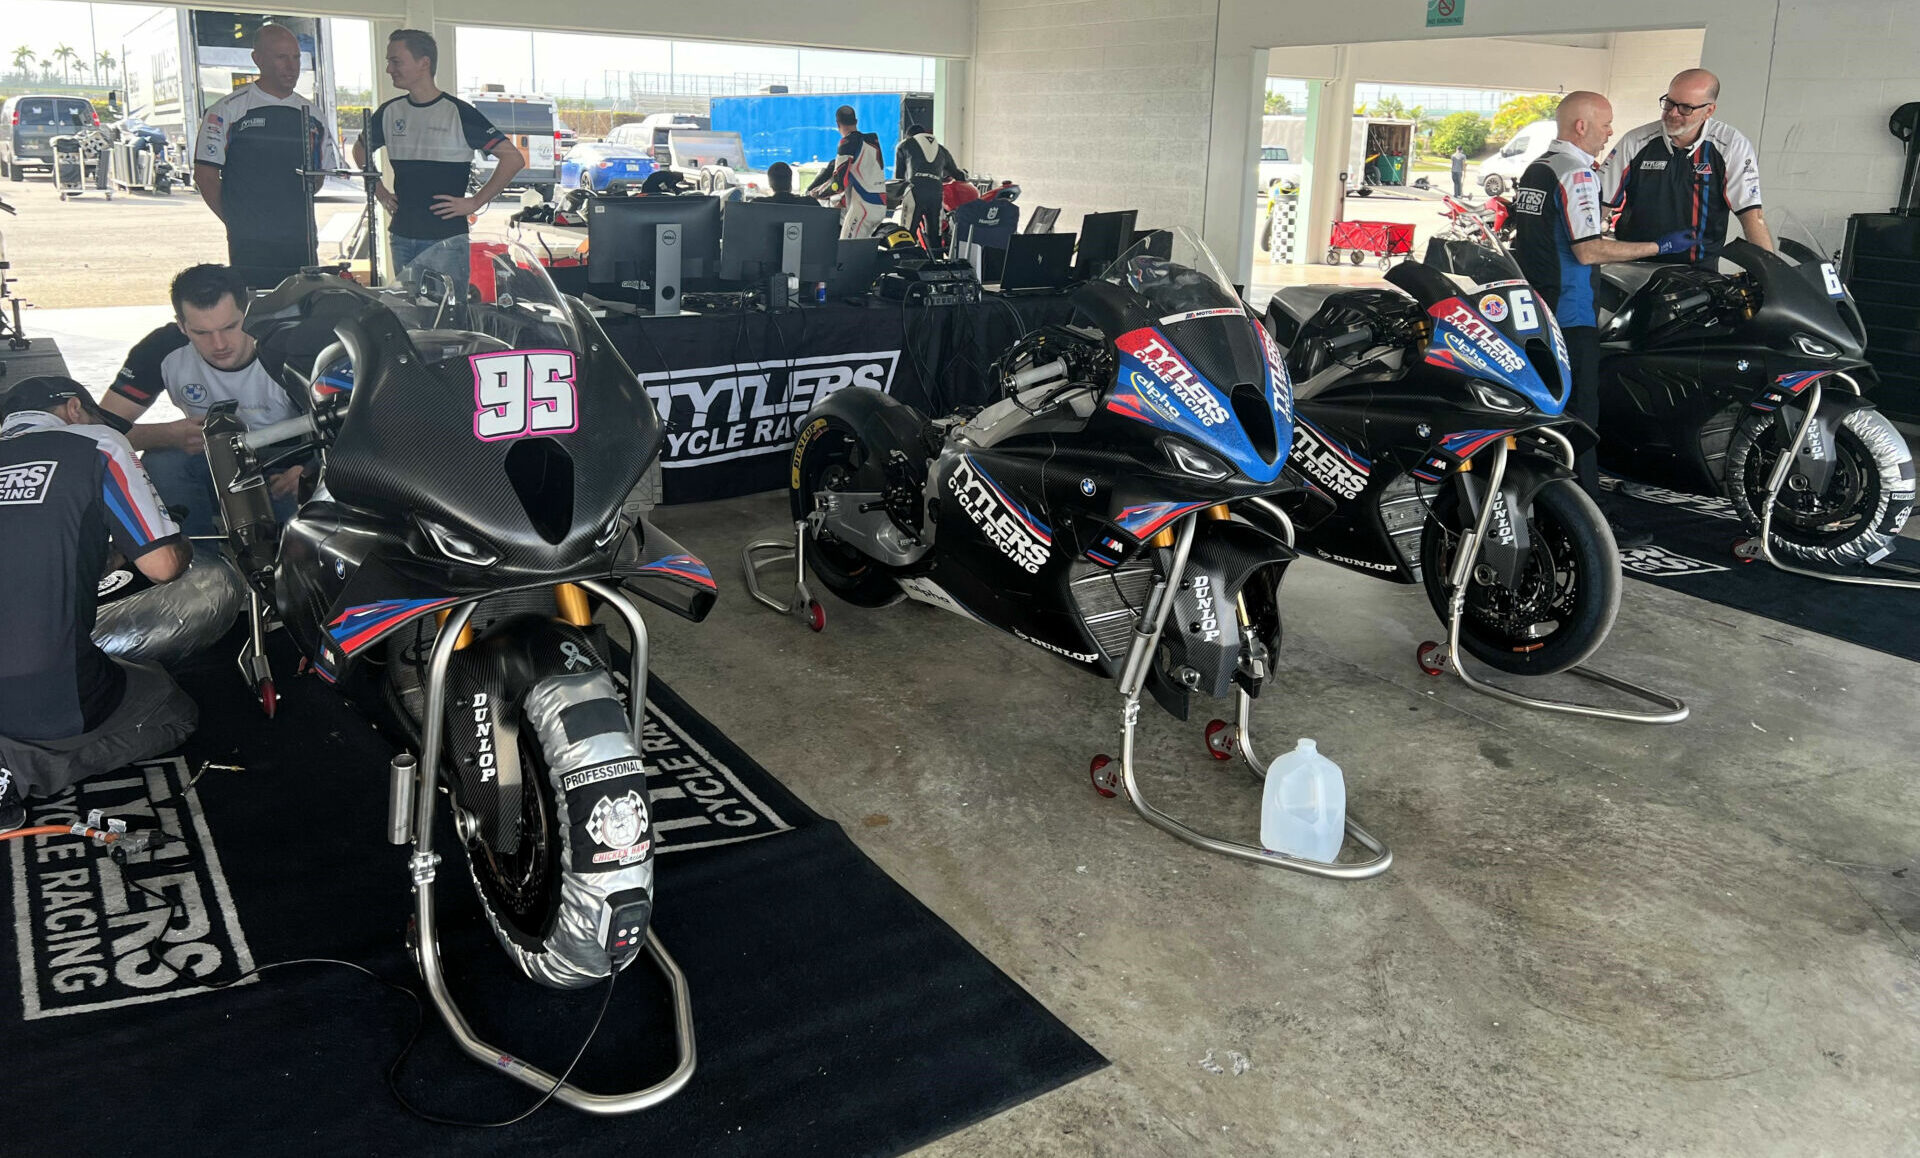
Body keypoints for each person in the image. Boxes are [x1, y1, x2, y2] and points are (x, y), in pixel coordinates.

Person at [0, 376, 198, 833]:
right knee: (170, 706)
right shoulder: (95, 444)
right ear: (74, 408)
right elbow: (164, 565)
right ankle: (20, 767)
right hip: (44, 695)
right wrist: (180, 542)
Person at [1510, 91, 1698, 548]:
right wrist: (1660, 246)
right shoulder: (1576, 174)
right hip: (1570, 313)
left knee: (1546, 412)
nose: (1611, 132)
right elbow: (1588, 249)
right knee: (1582, 417)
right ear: (1580, 126)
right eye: (1606, 124)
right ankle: (1588, 518)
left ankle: (1540, 504)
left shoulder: (1538, 169)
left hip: (1534, 308)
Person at [100, 264, 306, 536]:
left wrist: (313, 470)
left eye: (230, 327)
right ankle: (199, 570)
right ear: (182, 326)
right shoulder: (162, 349)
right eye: (202, 333)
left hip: (289, 468)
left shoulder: (290, 342)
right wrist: (165, 435)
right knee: (163, 462)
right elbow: (98, 432)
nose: (219, 344)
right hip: (211, 464)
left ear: (249, 312)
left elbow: (358, 422)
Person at [351, 29, 526, 277]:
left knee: (449, 315)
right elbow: (359, 150)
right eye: (389, 62)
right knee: (409, 314)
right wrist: (379, 191)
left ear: (424, 63)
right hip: (401, 236)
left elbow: (513, 159)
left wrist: (475, 202)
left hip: (446, 241)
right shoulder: (389, 112)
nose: (389, 69)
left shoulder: (458, 112)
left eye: (396, 61)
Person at [193, 24, 342, 289]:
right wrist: (237, 221)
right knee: (257, 314)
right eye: (281, 57)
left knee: (301, 313)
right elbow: (206, 176)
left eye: (296, 57)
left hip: (300, 238)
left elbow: (319, 177)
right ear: (258, 59)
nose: (291, 66)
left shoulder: (313, 114)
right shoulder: (227, 109)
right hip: (250, 245)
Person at [1600, 68, 1771, 266]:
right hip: (1632, 262)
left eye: (1686, 108)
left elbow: (1752, 216)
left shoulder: (1730, 145)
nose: (1672, 113)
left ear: (1709, 111)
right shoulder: (1635, 141)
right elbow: (1599, 206)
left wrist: (1771, 274)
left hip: (1698, 270)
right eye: (1669, 103)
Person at [806, 105, 887, 239]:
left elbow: (838, 184)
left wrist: (816, 193)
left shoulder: (846, 143)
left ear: (838, 124)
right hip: (880, 205)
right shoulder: (872, 141)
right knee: (863, 251)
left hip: (862, 209)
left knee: (846, 252)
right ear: (856, 121)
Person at [895, 124, 965, 254]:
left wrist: (898, 197)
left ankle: (905, 264)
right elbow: (958, 174)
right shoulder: (942, 149)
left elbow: (899, 178)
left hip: (914, 191)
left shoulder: (905, 145)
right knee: (935, 234)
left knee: (907, 233)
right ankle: (936, 266)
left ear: (909, 136)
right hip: (936, 193)